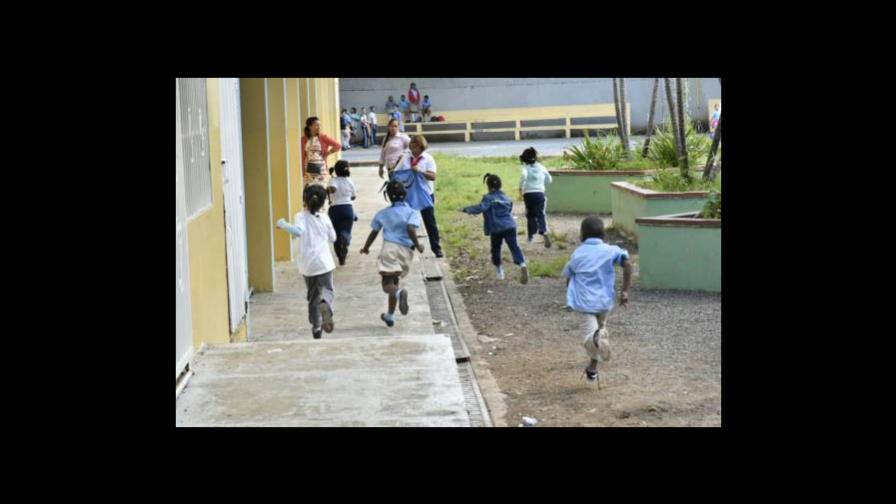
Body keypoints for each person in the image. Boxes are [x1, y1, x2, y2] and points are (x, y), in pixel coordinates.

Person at [561, 216, 632, 384]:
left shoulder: (578, 253)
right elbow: (628, 264)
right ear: (604, 236)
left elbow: (569, 276)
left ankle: (596, 341)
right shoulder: (612, 250)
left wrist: (570, 294)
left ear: (581, 235)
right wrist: (625, 292)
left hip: (586, 303)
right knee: (600, 332)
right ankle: (592, 368)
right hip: (605, 302)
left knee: (592, 337)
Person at [275, 185, 338, 339]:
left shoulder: (300, 216)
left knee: (312, 297)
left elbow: (298, 231)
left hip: (308, 266)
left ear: (305, 200)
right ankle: (326, 304)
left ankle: (316, 328)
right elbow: (333, 238)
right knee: (328, 291)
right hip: (324, 263)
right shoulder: (325, 217)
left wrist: (282, 224)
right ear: (323, 203)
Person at [359, 180, 425, 327]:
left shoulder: (383, 213)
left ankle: (399, 293)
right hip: (406, 252)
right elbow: (410, 228)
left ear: (388, 196)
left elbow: (374, 232)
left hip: (389, 249)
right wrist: (417, 244)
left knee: (387, 284)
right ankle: (390, 315)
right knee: (394, 282)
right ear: (405, 194)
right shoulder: (412, 212)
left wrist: (366, 247)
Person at [462, 173, 529, 284]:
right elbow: (509, 210)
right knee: (514, 246)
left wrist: (466, 209)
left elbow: (481, 208)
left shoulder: (488, 198)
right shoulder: (506, 197)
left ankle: (499, 271)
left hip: (496, 228)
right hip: (510, 226)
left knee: (496, 249)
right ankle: (522, 264)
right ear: (500, 185)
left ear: (488, 186)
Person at [394, 135, 443, 257]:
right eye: (411, 145)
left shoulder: (428, 159)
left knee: (430, 222)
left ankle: (436, 248)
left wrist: (419, 171)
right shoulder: (406, 158)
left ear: (421, 147)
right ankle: (409, 244)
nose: (413, 148)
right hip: (409, 195)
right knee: (408, 222)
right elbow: (397, 173)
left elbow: (433, 176)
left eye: (415, 146)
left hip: (425, 194)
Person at [518, 147, 554, 247]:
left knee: (530, 215)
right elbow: (549, 179)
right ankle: (544, 231)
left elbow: (524, 176)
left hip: (528, 194)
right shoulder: (541, 167)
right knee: (541, 213)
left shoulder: (526, 168)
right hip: (540, 193)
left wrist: (520, 188)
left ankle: (530, 236)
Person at [326, 160, 357, 266]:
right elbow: (354, 196)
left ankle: (340, 258)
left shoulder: (333, 180)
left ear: (335, 170)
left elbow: (333, 189)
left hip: (335, 210)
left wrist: (329, 189)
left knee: (336, 235)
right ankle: (345, 238)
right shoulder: (350, 181)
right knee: (346, 231)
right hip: (348, 209)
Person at [301, 116, 341, 191]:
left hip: (321, 170)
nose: (319, 127)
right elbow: (302, 157)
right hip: (308, 170)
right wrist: (303, 172)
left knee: (321, 191)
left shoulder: (323, 137)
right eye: (316, 125)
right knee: (309, 192)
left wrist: (327, 153)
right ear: (310, 126)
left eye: (319, 125)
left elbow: (338, 145)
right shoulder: (303, 139)